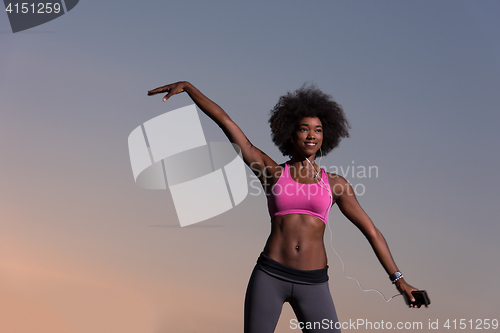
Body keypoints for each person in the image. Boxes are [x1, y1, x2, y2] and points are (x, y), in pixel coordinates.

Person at [148, 81, 426, 333]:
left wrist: (399, 280)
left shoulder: (336, 184)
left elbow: (372, 232)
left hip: (314, 284)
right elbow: (226, 123)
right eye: (304, 128)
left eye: (318, 130)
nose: (311, 135)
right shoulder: (271, 172)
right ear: (290, 133)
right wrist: (189, 88)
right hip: (270, 275)